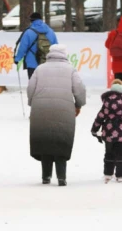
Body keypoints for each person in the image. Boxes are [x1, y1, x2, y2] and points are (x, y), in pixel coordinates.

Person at [27, 44, 86, 186]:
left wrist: (32, 103)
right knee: (61, 140)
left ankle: (46, 176)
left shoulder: (40, 69)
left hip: (41, 109)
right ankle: (61, 177)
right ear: (64, 55)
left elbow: (30, 88)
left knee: (45, 141)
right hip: (64, 110)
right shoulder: (70, 70)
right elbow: (80, 89)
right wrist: (78, 104)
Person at [91, 78, 122, 183]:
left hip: (108, 132)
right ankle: (121, 175)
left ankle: (108, 173)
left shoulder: (107, 101)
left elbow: (100, 117)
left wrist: (94, 129)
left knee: (109, 153)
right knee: (121, 153)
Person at [14, 12, 58, 79]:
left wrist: (17, 59)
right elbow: (56, 47)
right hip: (47, 63)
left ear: (31, 20)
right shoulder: (50, 31)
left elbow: (23, 48)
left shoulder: (28, 32)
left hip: (32, 64)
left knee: (33, 86)